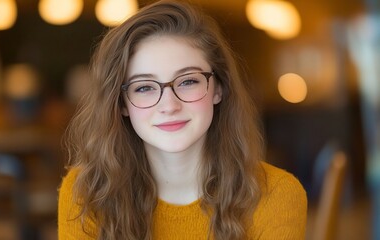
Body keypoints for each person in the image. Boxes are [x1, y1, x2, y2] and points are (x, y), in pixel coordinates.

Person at [58, 0, 307, 239]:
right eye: (144, 87)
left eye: (188, 81)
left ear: (218, 88)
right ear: (122, 103)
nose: (169, 105)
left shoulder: (277, 194)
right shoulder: (86, 193)